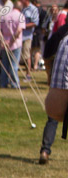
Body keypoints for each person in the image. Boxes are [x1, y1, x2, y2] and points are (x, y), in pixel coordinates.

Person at [38, 19, 68, 162]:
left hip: (60, 82)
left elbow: (46, 53)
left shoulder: (61, 35)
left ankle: (45, 149)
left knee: (52, 117)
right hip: (61, 84)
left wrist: (50, 73)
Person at [22, 0, 40, 79]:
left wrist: (22, 26)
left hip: (27, 36)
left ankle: (28, 74)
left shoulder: (33, 9)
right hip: (17, 36)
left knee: (26, 56)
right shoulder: (20, 7)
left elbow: (35, 23)